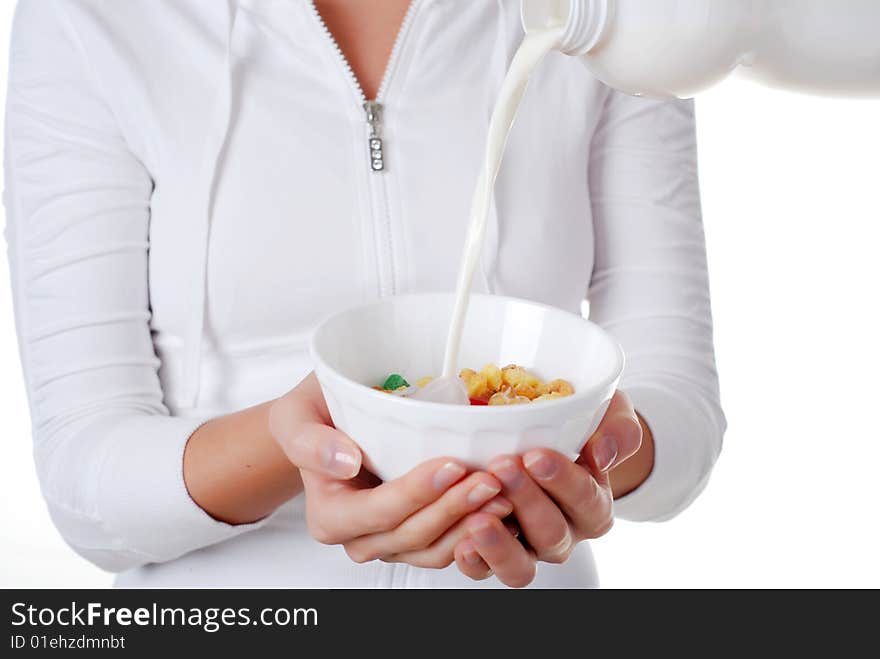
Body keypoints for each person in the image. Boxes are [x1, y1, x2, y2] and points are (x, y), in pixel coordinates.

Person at [4, 0, 725, 588]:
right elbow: (84, 480)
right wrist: (308, 440)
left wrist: (577, 451)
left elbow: (682, 418)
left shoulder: (614, 14)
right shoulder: (90, 16)